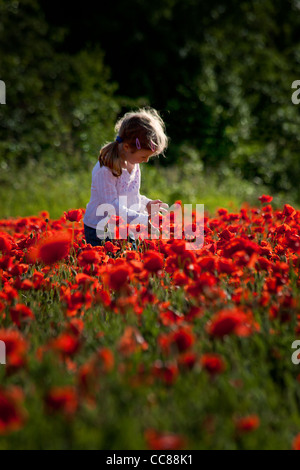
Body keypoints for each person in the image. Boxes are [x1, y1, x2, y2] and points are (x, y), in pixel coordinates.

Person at [83, 107, 169, 248]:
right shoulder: (106, 169)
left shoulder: (133, 163)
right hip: (100, 230)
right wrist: (141, 219)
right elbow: (111, 207)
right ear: (127, 147)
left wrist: (145, 204)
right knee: (107, 266)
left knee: (129, 262)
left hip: (125, 225)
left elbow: (132, 196)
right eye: (144, 156)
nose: (146, 160)